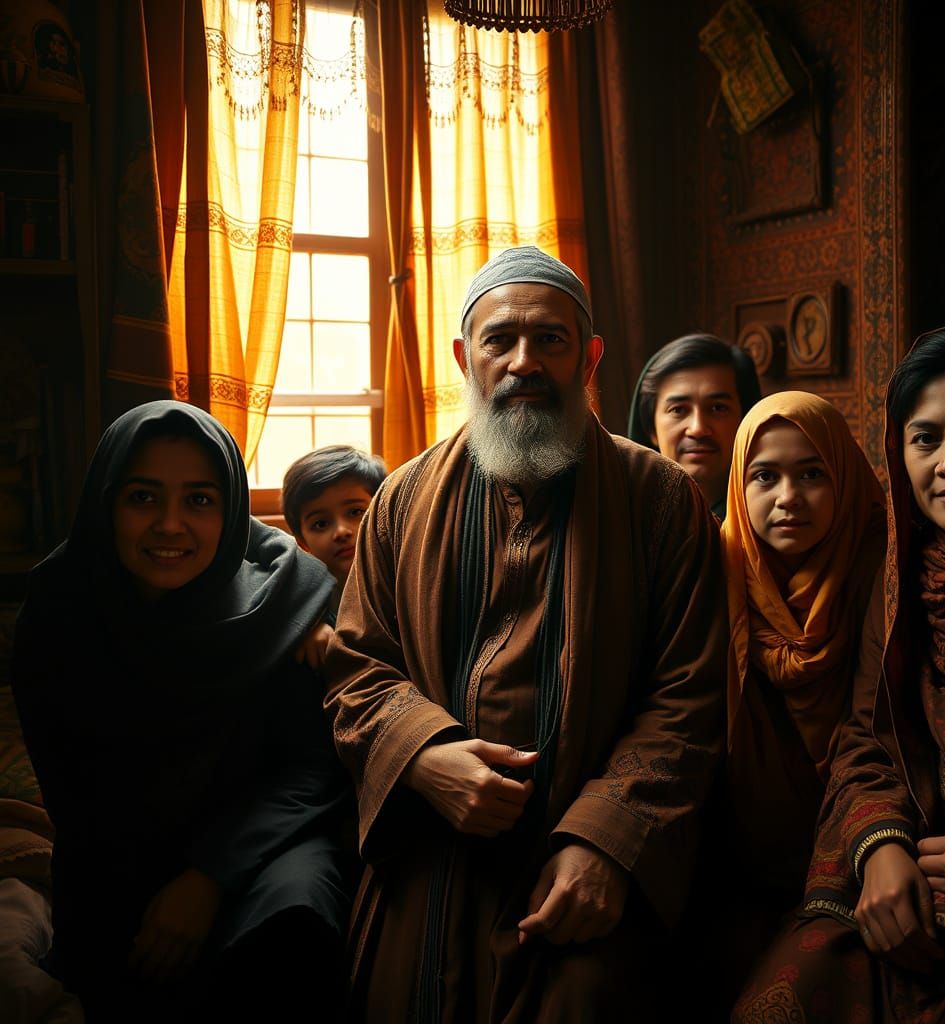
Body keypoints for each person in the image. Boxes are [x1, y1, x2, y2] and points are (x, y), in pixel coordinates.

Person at [326, 246, 727, 1021]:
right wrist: (423, 757)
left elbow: (689, 698)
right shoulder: (402, 501)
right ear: (463, 359)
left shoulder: (660, 502)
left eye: (549, 339)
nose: (523, 362)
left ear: (590, 357)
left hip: (579, 868)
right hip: (431, 852)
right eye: (500, 340)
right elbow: (357, 670)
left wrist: (606, 842)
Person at [12, 401, 352, 1022]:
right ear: (106, 504)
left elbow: (310, 769)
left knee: (296, 918)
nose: (170, 525)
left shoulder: (281, 611)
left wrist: (210, 876)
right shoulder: (59, 614)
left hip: (265, 840)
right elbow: (77, 795)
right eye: (143, 497)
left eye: (199, 500)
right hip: (119, 848)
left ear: (231, 512)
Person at [734, 326, 945, 1023]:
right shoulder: (902, 578)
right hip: (910, 887)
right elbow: (867, 737)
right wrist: (880, 847)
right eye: (926, 438)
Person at [713, 391, 885, 1007]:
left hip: (863, 857)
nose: (788, 497)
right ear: (739, 486)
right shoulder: (712, 571)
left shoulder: (882, 572)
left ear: (844, 477)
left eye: (812, 474)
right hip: (736, 862)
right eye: (764, 476)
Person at [627, 333, 762, 518]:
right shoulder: (623, 521)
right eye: (678, 410)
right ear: (651, 429)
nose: (698, 429)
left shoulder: (775, 522)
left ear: (745, 419)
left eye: (718, 408)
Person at [282, 444, 387, 613]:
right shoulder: (306, 609)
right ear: (302, 543)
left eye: (355, 512)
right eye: (321, 524)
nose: (341, 532)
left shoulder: (408, 581)